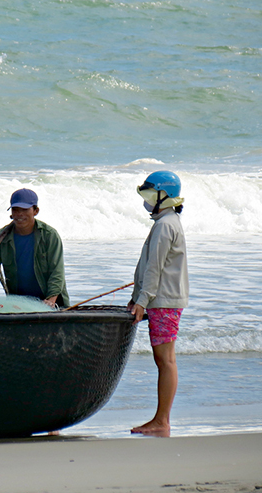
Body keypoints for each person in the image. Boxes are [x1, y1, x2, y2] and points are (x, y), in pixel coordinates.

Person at [128, 170, 189, 436]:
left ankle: (161, 421)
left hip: (163, 301)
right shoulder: (168, 221)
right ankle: (161, 419)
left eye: (152, 195)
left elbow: (155, 268)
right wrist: (136, 295)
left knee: (165, 360)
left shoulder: (165, 225)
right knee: (165, 360)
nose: (147, 200)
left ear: (165, 196)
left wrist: (142, 300)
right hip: (163, 299)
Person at [0, 188, 69, 308]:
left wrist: (50, 300)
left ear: (35, 211)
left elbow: (57, 272)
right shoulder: (0, 238)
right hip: (18, 305)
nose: (19, 214)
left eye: (25, 209)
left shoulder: (49, 236)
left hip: (52, 303)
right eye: (15, 210)